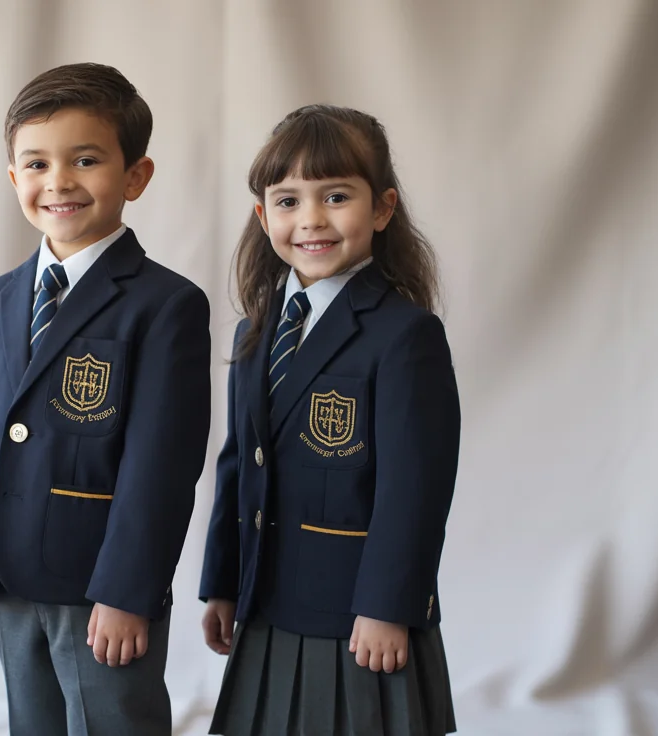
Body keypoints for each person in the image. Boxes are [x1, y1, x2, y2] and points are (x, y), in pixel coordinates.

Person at [0, 62, 211, 736]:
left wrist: (126, 589)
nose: (58, 181)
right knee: (36, 724)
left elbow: (162, 465)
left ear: (135, 176)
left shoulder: (165, 304)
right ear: (14, 179)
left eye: (86, 159)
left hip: (100, 583)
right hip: (7, 571)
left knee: (114, 722)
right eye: (36, 164)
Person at [200, 104, 460, 735]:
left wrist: (386, 607)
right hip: (268, 600)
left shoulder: (405, 335)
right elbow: (239, 464)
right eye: (287, 201)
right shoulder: (257, 331)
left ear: (382, 208)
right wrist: (223, 582)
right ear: (264, 216)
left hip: (356, 615)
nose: (311, 220)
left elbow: (414, 489)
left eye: (335, 196)